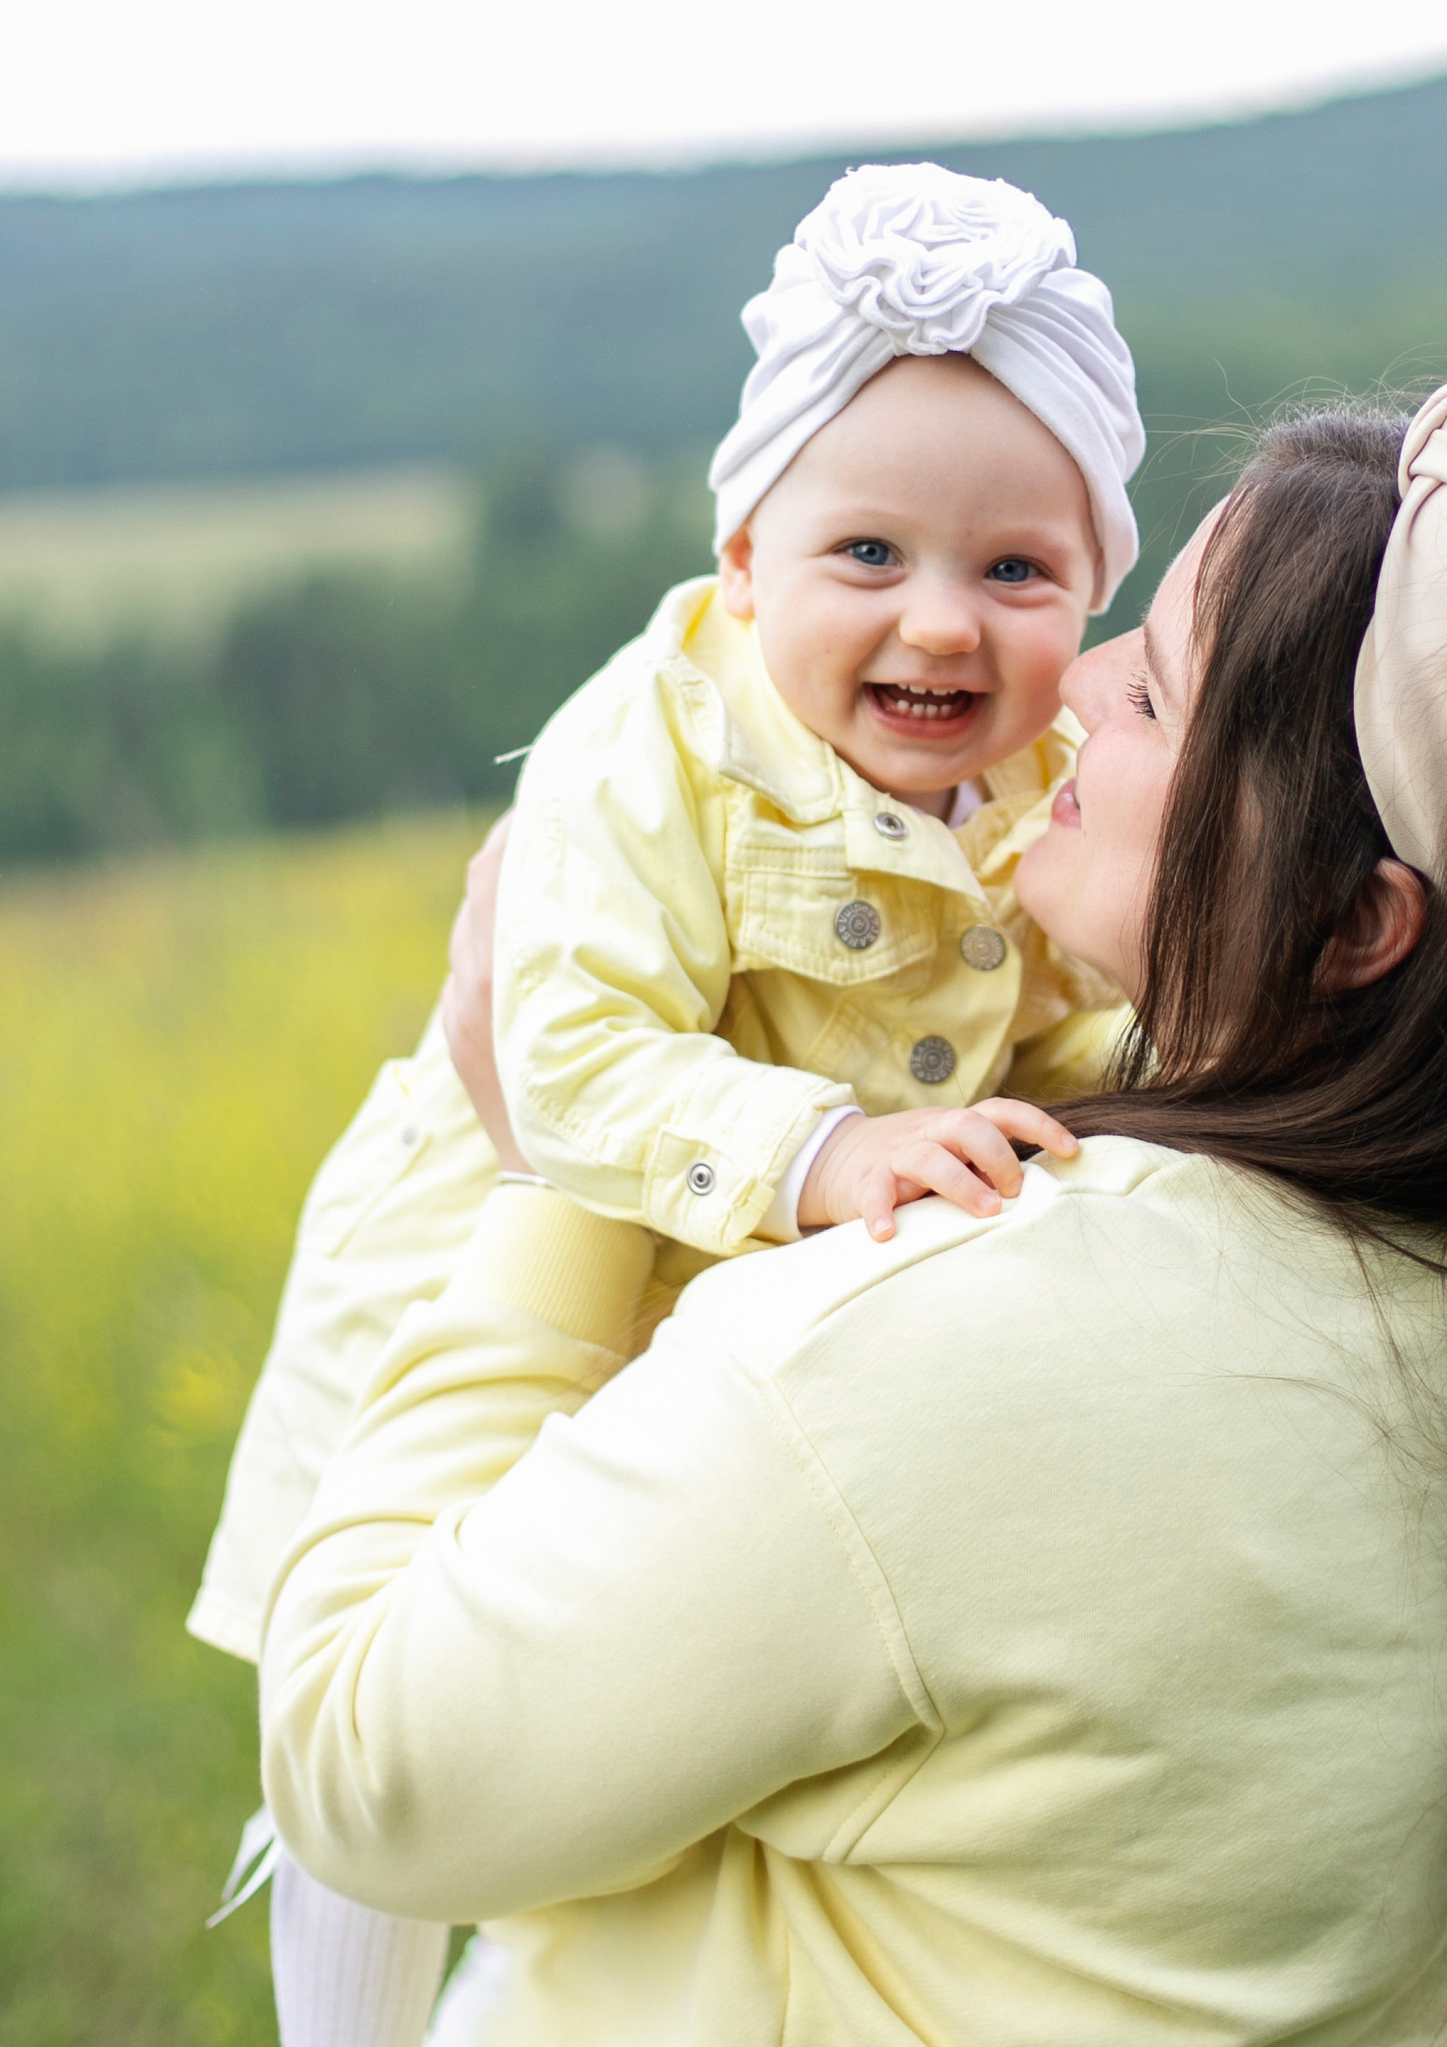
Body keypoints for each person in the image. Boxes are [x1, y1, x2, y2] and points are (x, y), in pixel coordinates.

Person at [260, 380, 1447, 2047]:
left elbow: (360, 1774)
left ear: (1353, 925)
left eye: (1161, 694)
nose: (1085, 678)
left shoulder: (931, 1338)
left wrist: (549, 1181)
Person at [191, 161, 1146, 2043]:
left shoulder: (1049, 780)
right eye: (866, 556)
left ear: (1094, 587)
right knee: (378, 1747)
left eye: (1014, 572)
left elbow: (1047, 1027)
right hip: (483, 1265)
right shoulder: (660, 742)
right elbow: (562, 1052)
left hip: (717, 1332)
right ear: (745, 559)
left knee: (597, 1745)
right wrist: (828, 1150)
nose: (940, 625)